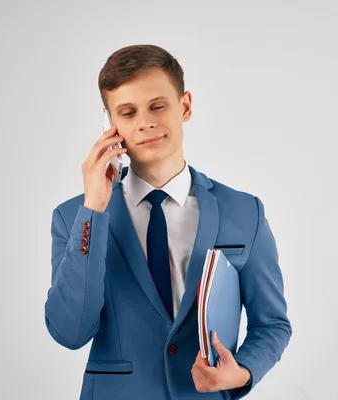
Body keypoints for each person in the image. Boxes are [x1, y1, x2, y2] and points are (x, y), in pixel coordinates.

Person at [44, 44, 292, 399]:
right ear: (110, 123)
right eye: (127, 112)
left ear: (185, 106)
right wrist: (94, 208)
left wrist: (241, 373)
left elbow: (272, 324)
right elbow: (70, 332)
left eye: (157, 106)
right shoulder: (74, 218)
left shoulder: (244, 211)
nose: (145, 122)